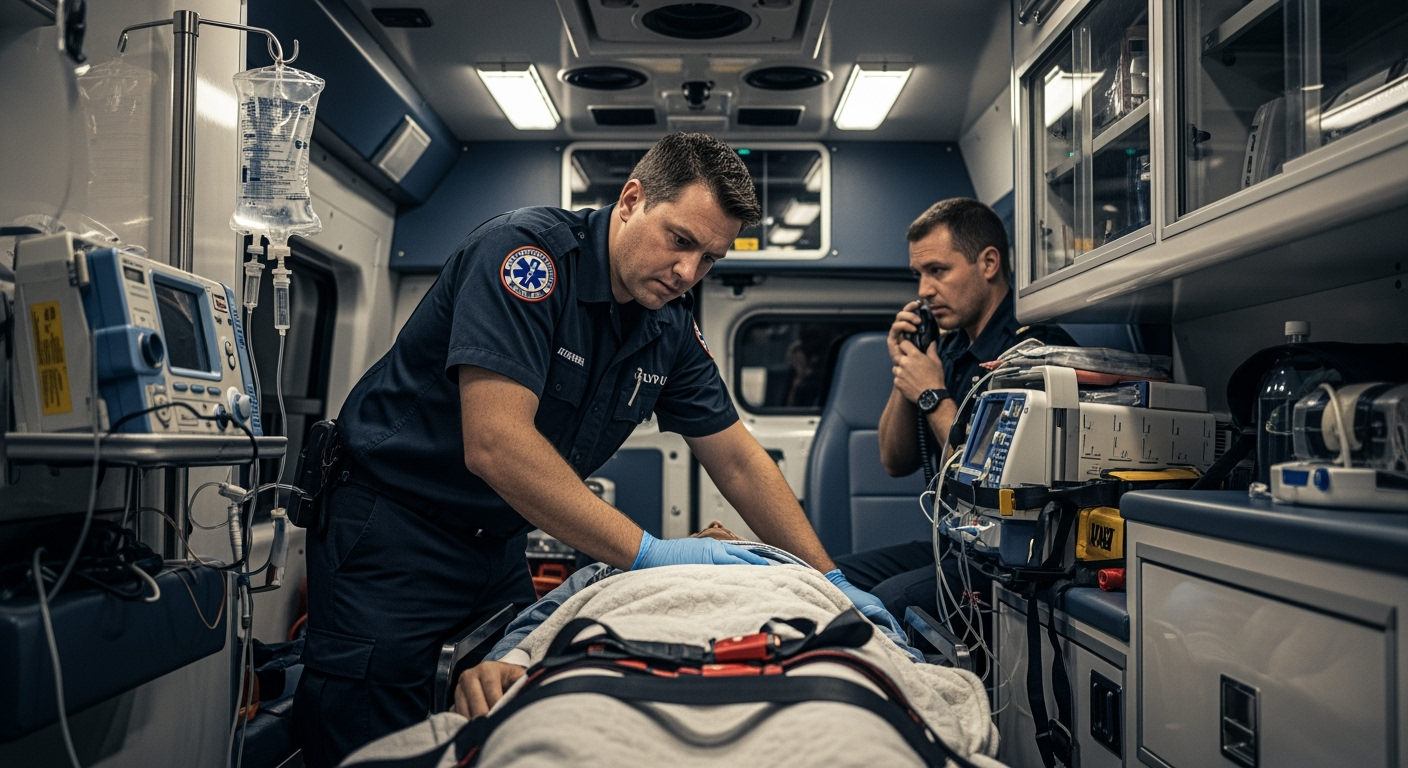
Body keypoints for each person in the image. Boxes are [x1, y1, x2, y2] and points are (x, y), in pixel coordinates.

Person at [293, 133, 891, 767]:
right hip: (391, 530)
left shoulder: (667, 323)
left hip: (495, 541)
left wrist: (828, 580)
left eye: (710, 259)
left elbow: (739, 461)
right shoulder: (527, 257)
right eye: (680, 240)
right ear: (631, 200)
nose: (688, 273)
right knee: (373, 731)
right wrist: (651, 553)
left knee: (503, 708)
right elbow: (496, 444)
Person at [834, 198, 1075, 673]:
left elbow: (993, 481)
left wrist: (932, 395)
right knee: (833, 579)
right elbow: (894, 461)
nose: (924, 291)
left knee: (886, 602)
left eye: (938, 271)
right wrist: (907, 365)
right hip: (955, 546)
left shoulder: (1033, 351)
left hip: (1007, 561)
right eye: (919, 275)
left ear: (988, 263)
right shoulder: (949, 349)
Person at [453, 521, 926, 720]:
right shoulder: (611, 573)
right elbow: (540, 623)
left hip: (791, 644)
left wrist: (905, 666)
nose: (716, 529)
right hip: (623, 643)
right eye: (703, 533)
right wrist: (506, 660)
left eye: (727, 534)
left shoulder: (796, 573)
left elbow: (890, 648)